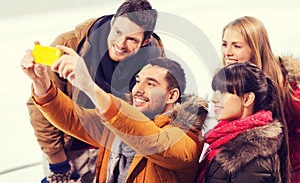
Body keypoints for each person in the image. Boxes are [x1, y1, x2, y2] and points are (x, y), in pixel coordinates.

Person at [21, 43, 208, 183]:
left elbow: (151, 140)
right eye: (138, 80)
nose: (138, 89)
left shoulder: (185, 140)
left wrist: (88, 86)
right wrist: (41, 82)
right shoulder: (118, 125)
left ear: (172, 96)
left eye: (150, 83)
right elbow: (73, 119)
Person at [26, 0, 165, 182]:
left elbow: (152, 112)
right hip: (70, 151)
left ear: (146, 40)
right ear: (113, 22)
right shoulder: (69, 44)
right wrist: (56, 159)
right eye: (117, 32)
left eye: (132, 39)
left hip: (115, 153)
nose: (120, 43)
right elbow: (40, 104)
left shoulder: (153, 57)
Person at [221, 16, 300, 182]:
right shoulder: (229, 87)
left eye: (236, 46)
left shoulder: (288, 88)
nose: (227, 52)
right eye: (224, 44)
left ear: (254, 48)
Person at [196, 62, 290, 183]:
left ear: (247, 99)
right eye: (215, 91)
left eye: (223, 92)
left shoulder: (252, 159)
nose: (214, 99)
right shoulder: (224, 142)